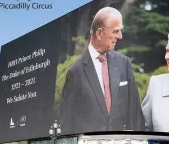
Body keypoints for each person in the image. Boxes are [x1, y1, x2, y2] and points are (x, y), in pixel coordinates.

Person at [60, 7, 145, 135]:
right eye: (116, 31)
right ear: (99, 33)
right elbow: (67, 126)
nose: (120, 36)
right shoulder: (75, 73)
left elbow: (136, 115)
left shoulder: (124, 63)